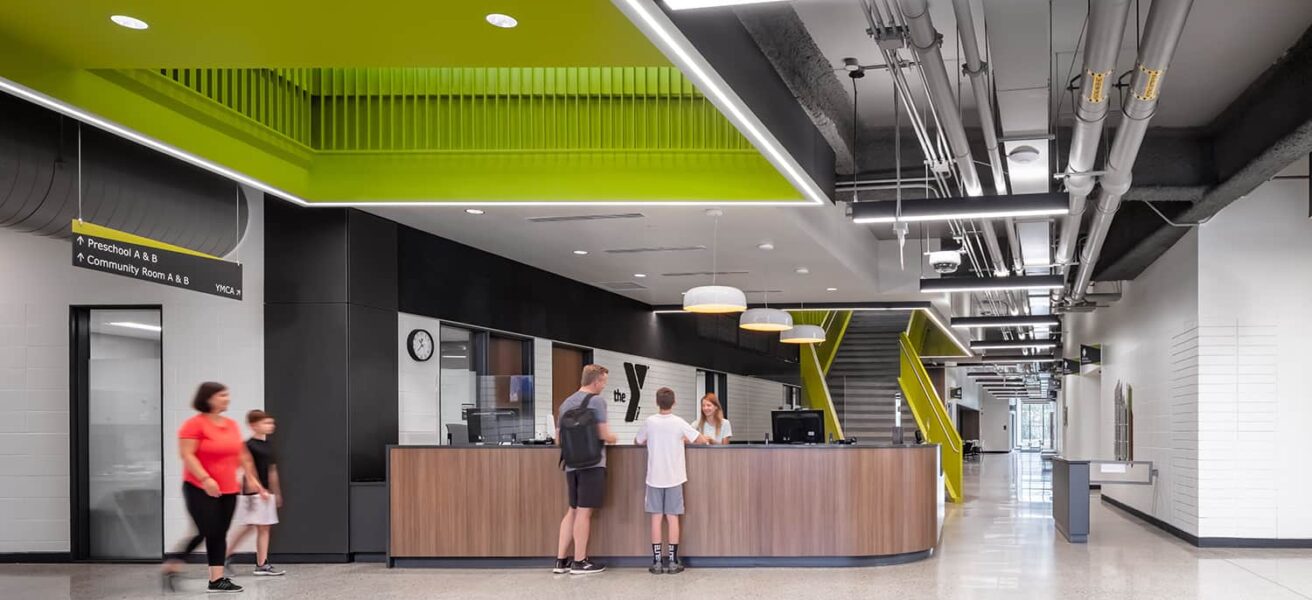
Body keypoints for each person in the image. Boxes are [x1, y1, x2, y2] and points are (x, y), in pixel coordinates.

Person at [162, 382, 269, 594]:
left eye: (227, 395)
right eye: (222, 395)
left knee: (219, 533)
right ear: (209, 398)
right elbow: (187, 455)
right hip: (198, 488)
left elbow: (242, 456)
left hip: (228, 489)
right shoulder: (194, 425)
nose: (227, 399)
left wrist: (255, 482)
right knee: (207, 530)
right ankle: (174, 562)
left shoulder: (231, 425)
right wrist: (205, 478)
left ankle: (217, 580)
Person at [635, 387, 707, 574]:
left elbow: (638, 440)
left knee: (656, 519)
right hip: (674, 478)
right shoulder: (678, 422)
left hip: (654, 479)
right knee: (673, 518)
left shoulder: (650, 422)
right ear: (674, 403)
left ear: (657, 402)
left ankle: (657, 562)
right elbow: (700, 439)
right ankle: (674, 561)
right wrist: (682, 439)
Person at [553, 364, 616, 575]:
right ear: (596, 381)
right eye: (603, 382)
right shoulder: (597, 402)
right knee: (584, 512)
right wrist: (614, 438)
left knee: (572, 510)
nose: (604, 386)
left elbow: (558, 438)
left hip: (571, 463)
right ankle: (580, 561)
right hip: (592, 463)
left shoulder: (565, 403)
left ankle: (560, 561)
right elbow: (604, 434)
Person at [223, 410, 286, 577]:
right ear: (253, 425)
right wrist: (259, 489)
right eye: (266, 423)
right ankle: (225, 555)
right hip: (254, 492)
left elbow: (272, 470)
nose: (270, 426)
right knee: (251, 525)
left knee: (264, 527)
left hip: (267, 492)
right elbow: (248, 469)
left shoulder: (269, 445)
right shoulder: (248, 445)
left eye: (271, 423)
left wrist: (276, 492)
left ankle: (261, 564)